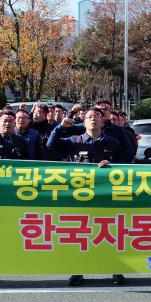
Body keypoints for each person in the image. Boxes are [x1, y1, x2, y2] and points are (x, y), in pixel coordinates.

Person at [47, 107, 126, 286]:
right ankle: (78, 270)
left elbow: (124, 163)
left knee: (108, 234)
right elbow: (51, 145)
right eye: (89, 117)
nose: (93, 120)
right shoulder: (74, 140)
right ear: (84, 121)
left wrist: (112, 165)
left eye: (97, 117)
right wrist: (60, 126)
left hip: (106, 197)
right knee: (81, 236)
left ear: (103, 121)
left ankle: (115, 269)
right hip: (80, 198)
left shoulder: (113, 142)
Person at [65, 100, 135, 163]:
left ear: (110, 111)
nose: (102, 112)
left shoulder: (118, 130)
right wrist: (72, 112)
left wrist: (113, 164)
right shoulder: (83, 126)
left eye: (105, 109)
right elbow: (65, 128)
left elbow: (127, 155)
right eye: (99, 110)